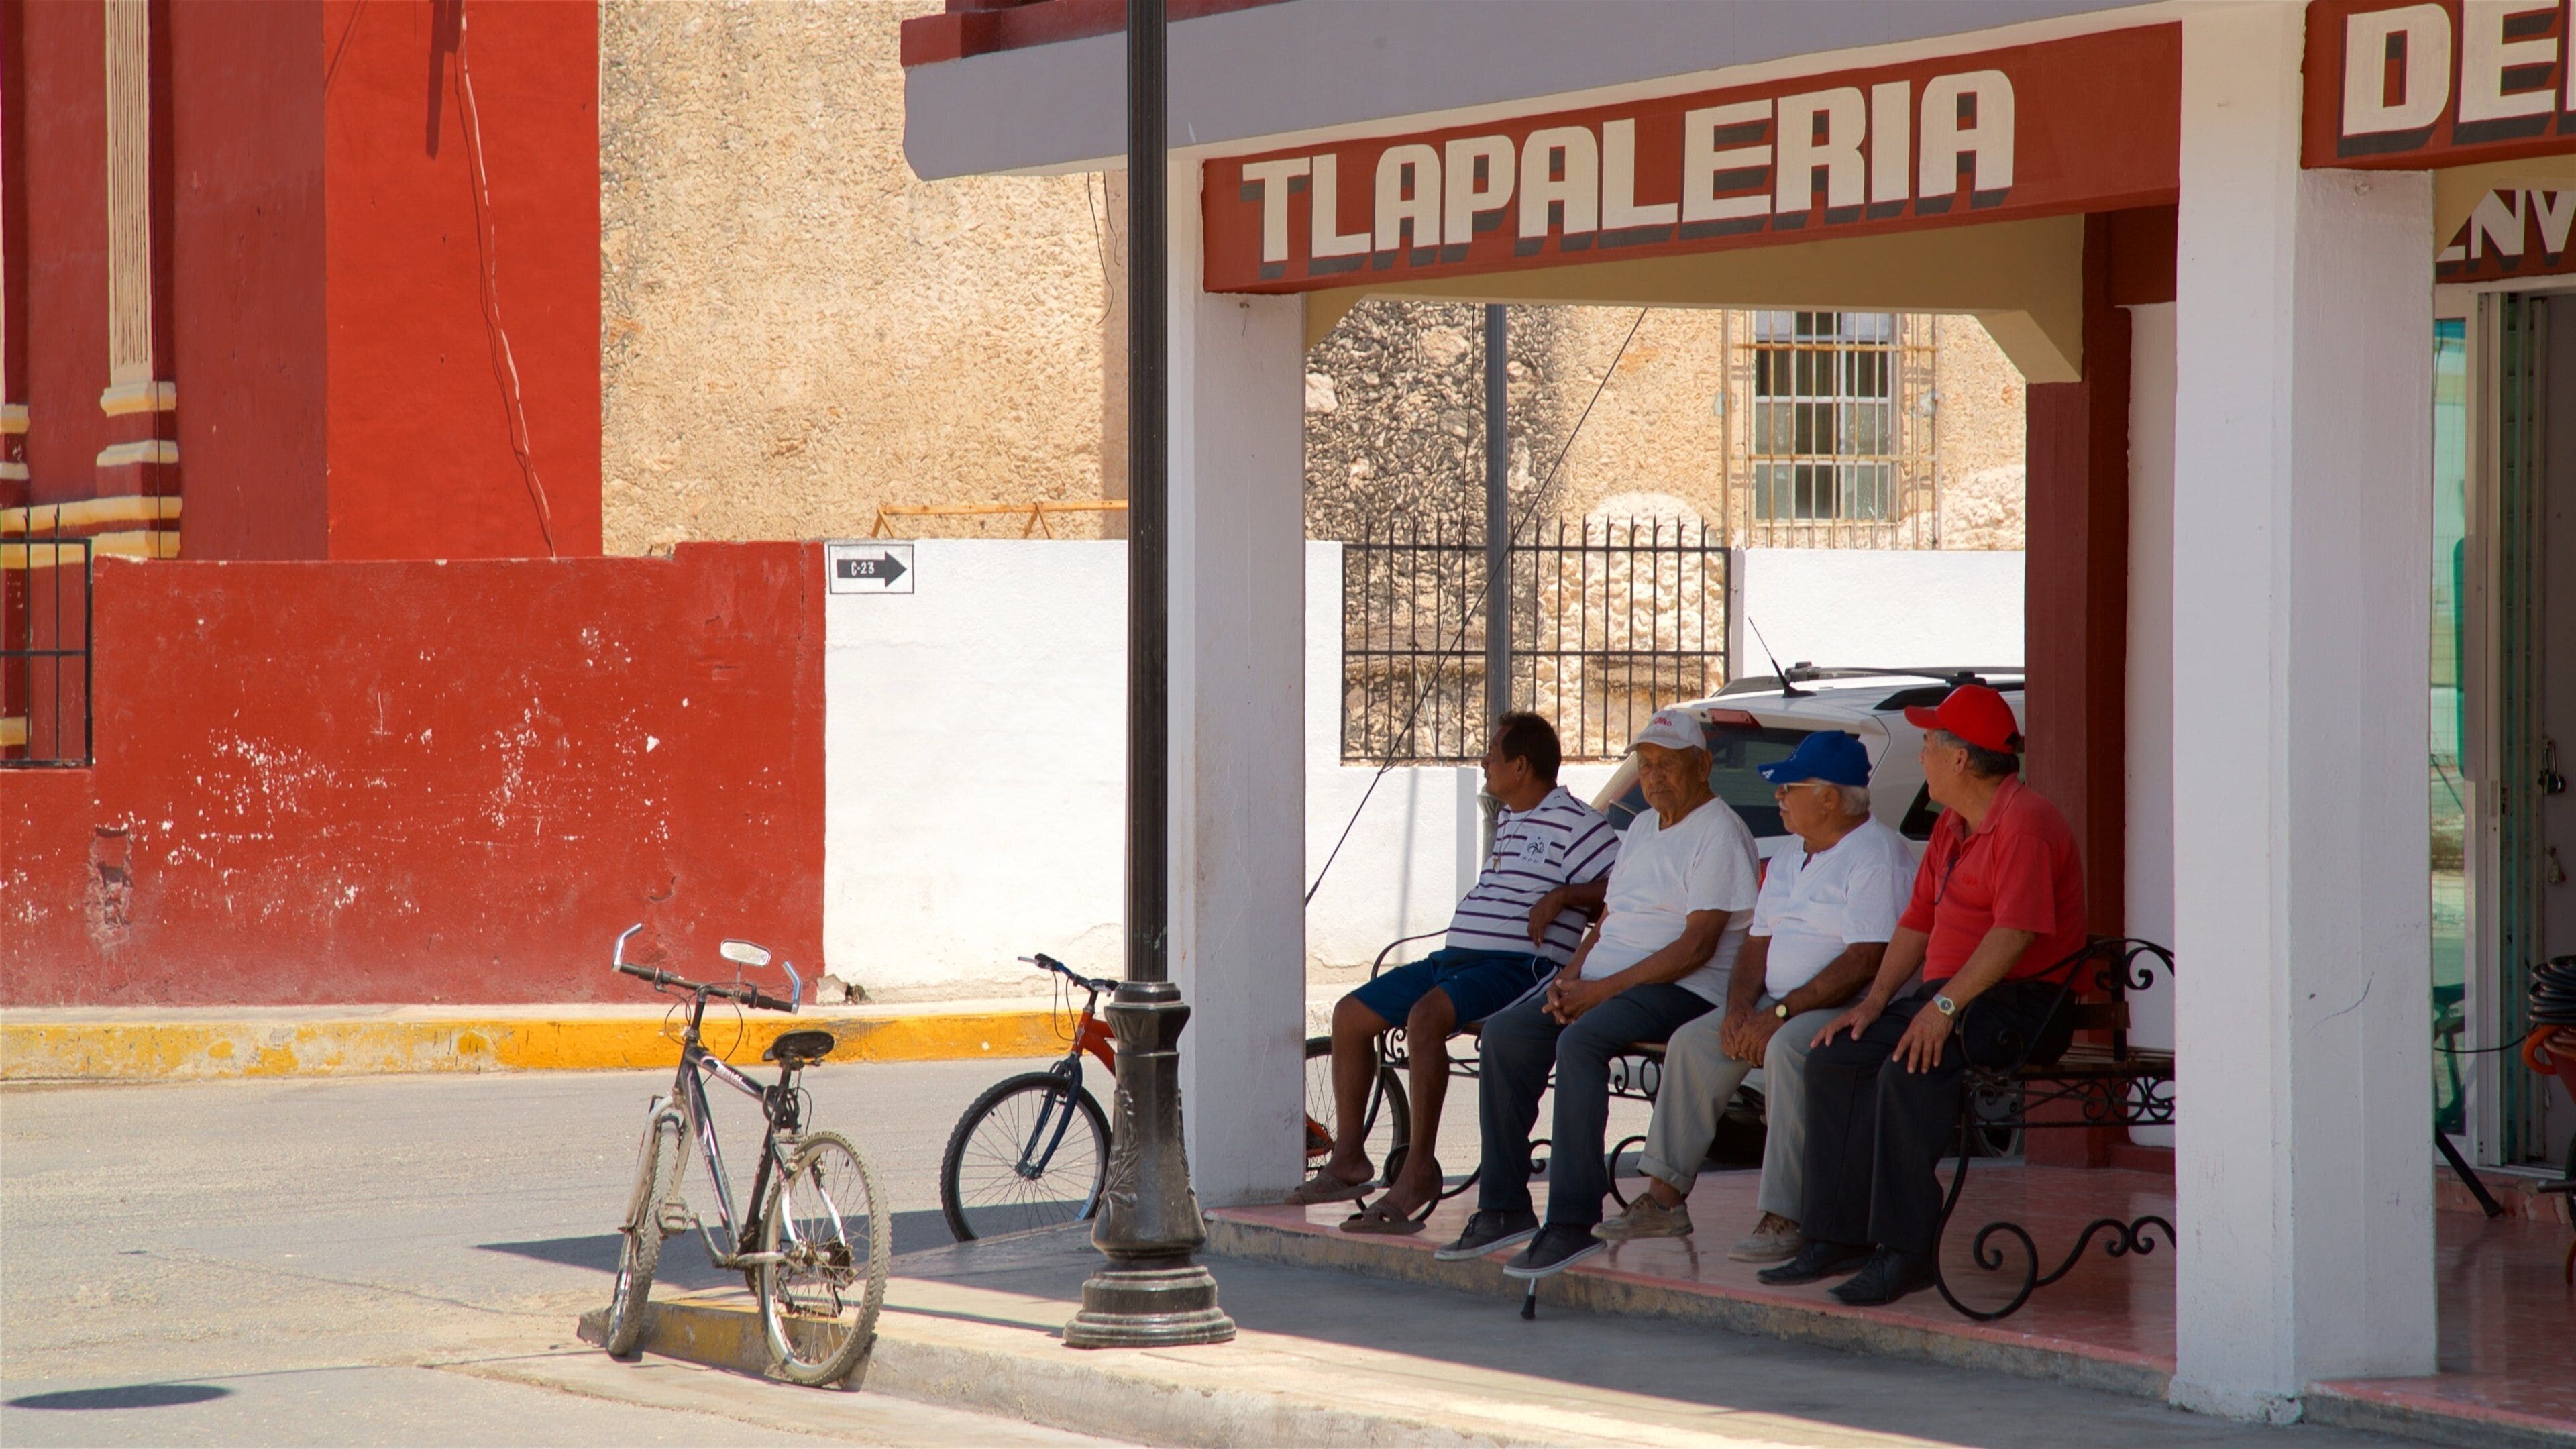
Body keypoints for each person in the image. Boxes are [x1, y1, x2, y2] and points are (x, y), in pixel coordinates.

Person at [1758, 684, 2086, 1305]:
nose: (1923, 756)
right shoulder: (1952, 827)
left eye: (1930, 744)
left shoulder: (2026, 823)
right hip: (1959, 998)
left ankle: (1906, 1252)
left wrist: (1941, 1008)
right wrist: (1874, 1003)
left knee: (1908, 1069)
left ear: (1961, 758)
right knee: (1836, 1055)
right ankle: (1836, 1235)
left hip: (2021, 1005)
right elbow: (1915, 923)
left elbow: (2013, 934)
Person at [1438, 708, 1761, 1279]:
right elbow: (1608, 917)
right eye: (1647, 765)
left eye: (1669, 765)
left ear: (1704, 766)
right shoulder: (1640, 827)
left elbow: (1697, 947)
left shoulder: (1720, 833)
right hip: (1610, 982)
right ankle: (1505, 1205)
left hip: (1682, 988)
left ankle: (1570, 1220)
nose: (1655, 777)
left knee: (1581, 1043)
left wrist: (1599, 992)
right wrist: (1573, 977)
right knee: (1506, 1035)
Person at [1289, 711, 1619, 1231]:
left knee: (1425, 1018)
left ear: (1522, 765)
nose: (1484, 762)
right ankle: (1349, 1159)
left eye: (1493, 755)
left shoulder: (1578, 823)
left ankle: (1419, 1171)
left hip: (1518, 966)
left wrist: (1565, 896)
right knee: (1350, 1015)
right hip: (1457, 959)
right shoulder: (1510, 817)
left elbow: (1624, 889)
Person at [1593, 729, 1912, 1264]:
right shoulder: (1792, 855)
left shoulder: (1877, 856)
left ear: (1830, 797)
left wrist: (1781, 1013)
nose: (1777, 798)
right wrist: (1740, 1009)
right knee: (1695, 1042)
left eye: (1788, 788)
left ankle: (1785, 1214)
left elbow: (1864, 961)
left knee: (1789, 1050)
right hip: (1779, 1005)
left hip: (1848, 1010)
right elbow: (1755, 946)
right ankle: (1664, 1200)